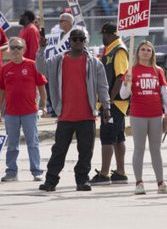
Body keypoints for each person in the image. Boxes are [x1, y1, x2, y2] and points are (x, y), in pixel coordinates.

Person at [35, 29, 111, 192]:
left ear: (85, 41)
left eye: (81, 39)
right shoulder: (58, 60)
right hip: (65, 115)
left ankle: (82, 180)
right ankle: (51, 181)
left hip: (87, 115)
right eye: (74, 39)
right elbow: (41, 68)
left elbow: (102, 86)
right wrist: (41, 49)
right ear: (69, 41)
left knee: (85, 152)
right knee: (59, 151)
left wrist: (106, 106)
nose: (77, 42)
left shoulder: (93, 62)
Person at [120, 40, 167, 195]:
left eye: (149, 50)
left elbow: (164, 93)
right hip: (138, 115)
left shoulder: (158, 71)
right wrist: (126, 83)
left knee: (156, 150)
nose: (145, 52)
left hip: (156, 115)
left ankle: (161, 184)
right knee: (139, 148)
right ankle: (139, 183)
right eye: (143, 49)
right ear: (137, 52)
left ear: (152, 53)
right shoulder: (131, 71)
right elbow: (123, 95)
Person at [0, 37, 47, 182]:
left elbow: (41, 86)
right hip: (11, 113)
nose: (15, 50)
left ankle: (36, 171)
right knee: (12, 145)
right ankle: (11, 172)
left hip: (29, 112)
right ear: (9, 50)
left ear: (23, 49)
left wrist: (43, 105)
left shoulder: (32, 65)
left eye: (18, 47)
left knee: (33, 142)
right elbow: (0, 91)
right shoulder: (4, 69)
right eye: (13, 47)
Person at [90, 22, 129, 185]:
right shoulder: (112, 48)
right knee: (118, 137)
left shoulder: (118, 49)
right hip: (113, 103)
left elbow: (121, 76)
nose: (103, 38)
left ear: (112, 34)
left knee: (107, 137)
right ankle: (120, 172)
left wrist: (109, 100)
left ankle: (104, 174)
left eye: (104, 35)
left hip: (114, 103)